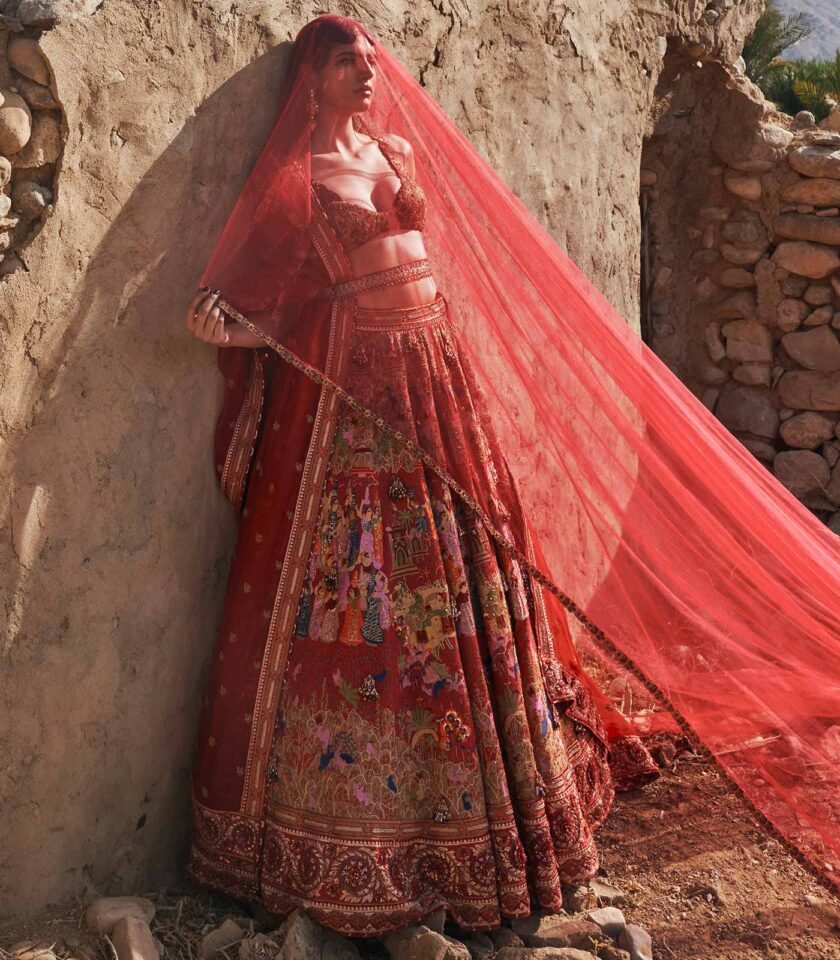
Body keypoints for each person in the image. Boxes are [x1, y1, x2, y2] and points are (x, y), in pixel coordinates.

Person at [183, 12, 840, 940]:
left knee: (470, 564)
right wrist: (232, 332)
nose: (369, 78)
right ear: (312, 80)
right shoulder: (295, 182)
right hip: (360, 396)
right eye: (347, 65)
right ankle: (374, 827)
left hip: (434, 372)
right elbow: (275, 302)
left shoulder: (395, 149)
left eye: (371, 62)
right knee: (371, 591)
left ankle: (501, 790)